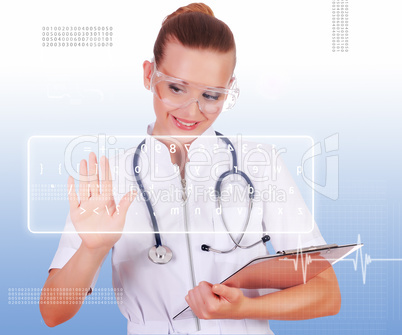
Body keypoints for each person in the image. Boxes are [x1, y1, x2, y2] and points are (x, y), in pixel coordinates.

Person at [40, 3, 341, 334]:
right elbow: (53, 313)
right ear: (148, 75)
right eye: (176, 88)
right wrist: (92, 248)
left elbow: (327, 294)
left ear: (229, 90)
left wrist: (245, 308)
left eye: (211, 95)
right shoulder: (110, 178)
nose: (192, 110)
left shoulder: (261, 164)